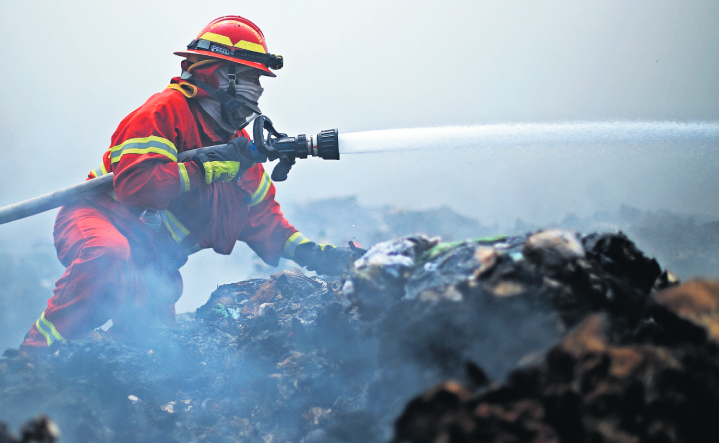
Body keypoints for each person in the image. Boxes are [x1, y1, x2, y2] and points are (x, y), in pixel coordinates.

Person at [20, 16, 362, 350]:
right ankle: (31, 362)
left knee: (155, 352)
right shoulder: (163, 113)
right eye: (249, 76)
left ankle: (90, 387)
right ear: (217, 73)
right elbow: (137, 185)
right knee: (106, 257)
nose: (257, 89)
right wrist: (206, 170)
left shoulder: (239, 149)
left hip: (152, 258)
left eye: (259, 80)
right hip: (101, 220)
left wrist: (317, 255)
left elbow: (265, 222)